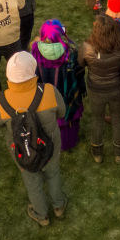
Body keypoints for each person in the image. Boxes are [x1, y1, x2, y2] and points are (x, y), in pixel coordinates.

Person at [0, 52, 68, 227]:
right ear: (33, 71)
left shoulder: (0, 101)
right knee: (53, 173)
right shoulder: (48, 91)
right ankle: (59, 206)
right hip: (50, 145)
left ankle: (42, 215)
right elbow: (62, 112)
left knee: (32, 181)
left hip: (21, 148)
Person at [78, 15, 120, 164]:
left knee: (97, 119)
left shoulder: (87, 47)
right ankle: (119, 154)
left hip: (96, 90)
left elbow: (80, 64)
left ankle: (97, 153)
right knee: (118, 119)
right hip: (117, 89)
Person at [32, 19, 84, 152]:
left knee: (46, 120)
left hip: (43, 94)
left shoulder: (35, 50)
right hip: (66, 95)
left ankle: (49, 142)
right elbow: (78, 74)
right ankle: (67, 143)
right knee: (67, 121)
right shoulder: (70, 52)